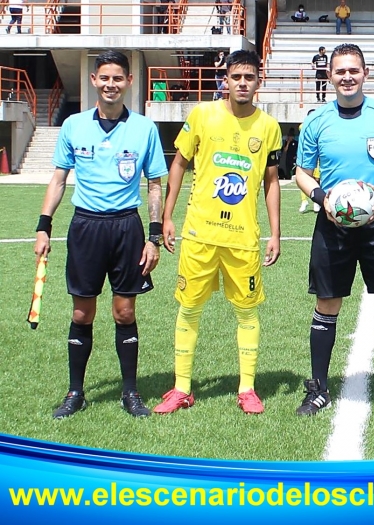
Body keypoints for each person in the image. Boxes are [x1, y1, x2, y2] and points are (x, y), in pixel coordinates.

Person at [34, 50, 167, 419]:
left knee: (124, 312)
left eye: (117, 78)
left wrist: (153, 237)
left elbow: (154, 184)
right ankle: (75, 392)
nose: (111, 84)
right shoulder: (73, 126)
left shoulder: (144, 129)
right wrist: (44, 226)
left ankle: (130, 392)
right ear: (94, 81)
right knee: (82, 311)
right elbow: (59, 179)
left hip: (127, 227)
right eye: (104, 78)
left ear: (128, 82)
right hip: (86, 227)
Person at [154, 49, 282, 415]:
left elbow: (271, 182)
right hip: (199, 234)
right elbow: (178, 164)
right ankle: (181, 388)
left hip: (243, 238)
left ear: (259, 81)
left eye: (250, 77)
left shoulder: (269, 127)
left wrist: (275, 232)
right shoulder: (202, 115)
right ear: (225, 80)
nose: (243, 83)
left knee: (247, 313)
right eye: (236, 77)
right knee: (189, 309)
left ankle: (247, 388)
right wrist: (168, 215)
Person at [295, 43, 374, 418]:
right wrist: (320, 197)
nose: (347, 77)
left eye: (353, 70)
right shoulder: (317, 121)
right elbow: (301, 171)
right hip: (333, 225)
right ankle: (318, 388)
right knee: (327, 304)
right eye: (339, 71)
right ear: (330, 76)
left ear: (365, 73)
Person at [298, 109, 321, 213]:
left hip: (319, 158)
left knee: (317, 179)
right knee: (304, 177)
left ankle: (316, 201)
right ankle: (304, 201)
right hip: (307, 157)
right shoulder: (304, 126)